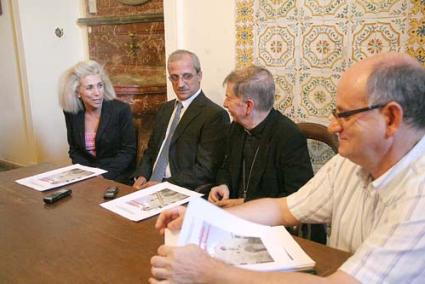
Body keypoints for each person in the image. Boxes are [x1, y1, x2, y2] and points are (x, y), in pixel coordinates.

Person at [149, 52, 425, 283]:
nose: (332, 127)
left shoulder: (419, 196)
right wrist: (204, 216)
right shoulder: (348, 163)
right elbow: (282, 208)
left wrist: (208, 271)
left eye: (345, 115)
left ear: (390, 118)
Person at [209, 66, 313, 207]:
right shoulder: (236, 127)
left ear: (249, 106)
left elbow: (296, 195)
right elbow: (225, 166)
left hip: (271, 222)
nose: (224, 104)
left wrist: (244, 204)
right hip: (233, 216)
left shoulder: (288, 135)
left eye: (229, 98)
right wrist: (223, 185)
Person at [132, 50, 230, 190]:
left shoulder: (214, 115)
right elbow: (152, 151)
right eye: (174, 77)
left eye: (187, 76)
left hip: (179, 189)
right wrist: (141, 175)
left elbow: (205, 170)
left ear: (199, 76)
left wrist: (163, 185)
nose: (180, 84)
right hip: (147, 187)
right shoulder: (164, 109)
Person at [59, 60, 136, 183]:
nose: (97, 93)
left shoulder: (121, 110)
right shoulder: (72, 113)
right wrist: (87, 174)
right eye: (89, 87)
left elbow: (128, 151)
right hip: (86, 178)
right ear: (77, 92)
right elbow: (74, 150)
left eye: (100, 85)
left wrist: (103, 176)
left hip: (116, 177)